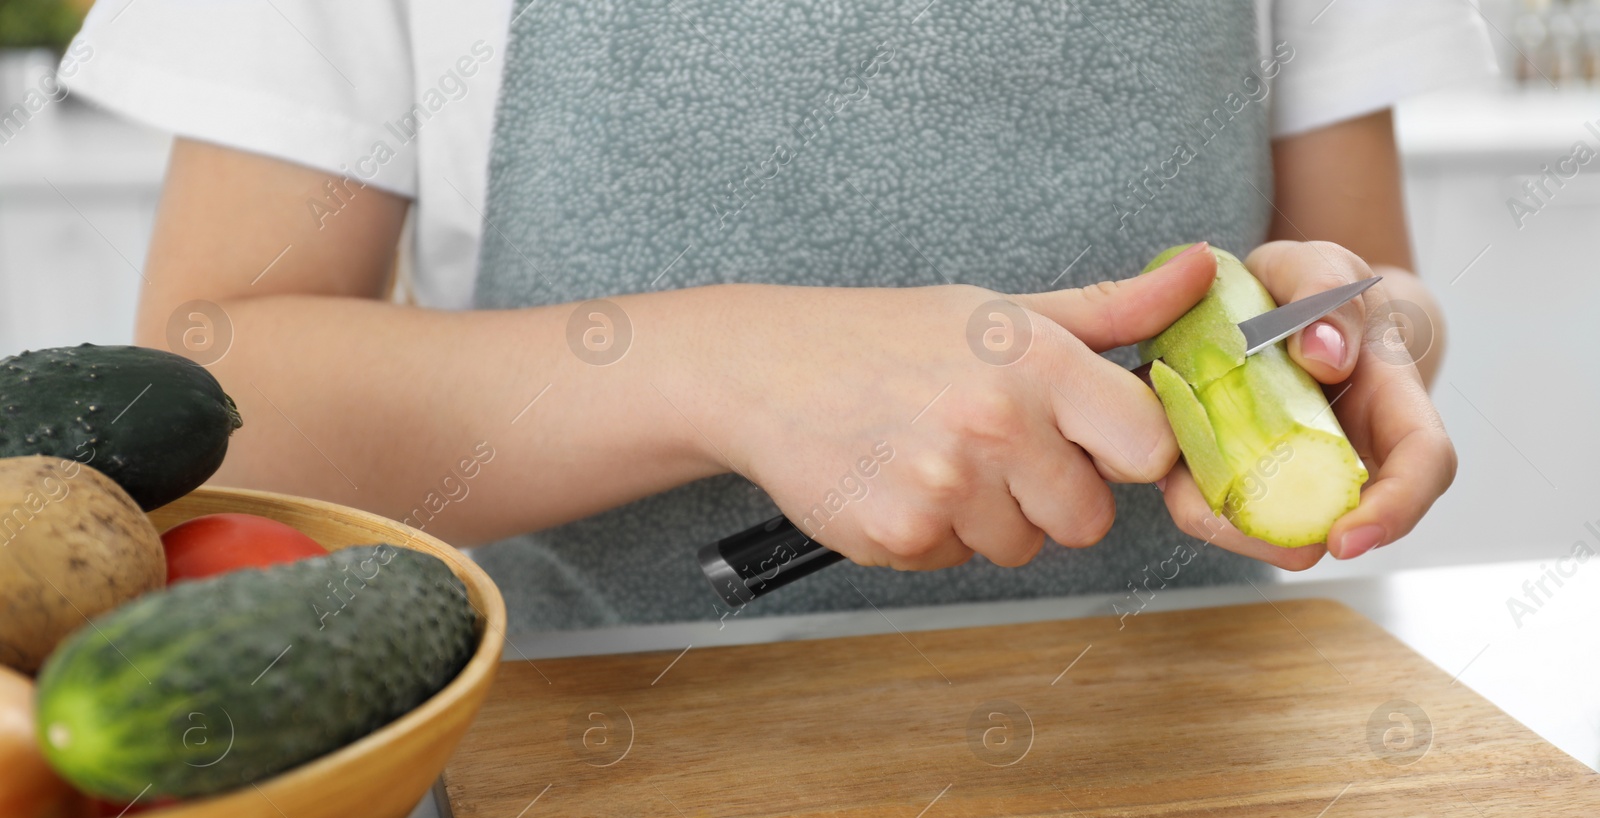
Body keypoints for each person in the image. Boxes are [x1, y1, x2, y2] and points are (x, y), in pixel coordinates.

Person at [61, 0, 1492, 632]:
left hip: (1203, 768)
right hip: (602, 794)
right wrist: (719, 370)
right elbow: (209, 394)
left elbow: (1361, 280)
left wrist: (1373, 349)